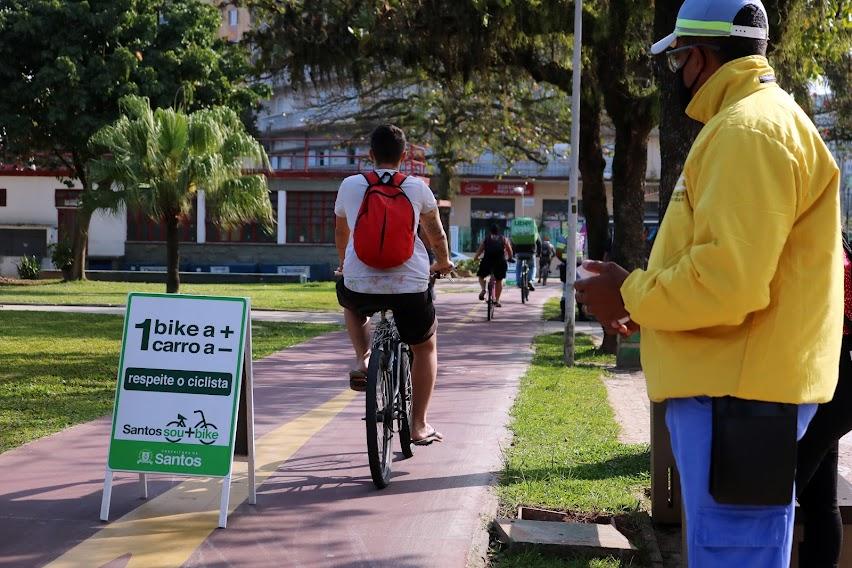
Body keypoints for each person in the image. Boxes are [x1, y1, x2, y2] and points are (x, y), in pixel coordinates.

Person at [574, 1, 843, 566]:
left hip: (738, 404)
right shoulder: (759, 122)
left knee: (732, 556)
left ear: (695, 57)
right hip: (741, 396)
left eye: (675, 62)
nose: (676, 77)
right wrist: (642, 304)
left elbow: (728, 284)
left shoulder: (747, 131)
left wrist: (631, 293)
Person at [334, 124, 454, 445]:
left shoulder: (349, 185)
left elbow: (341, 233)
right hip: (410, 285)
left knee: (350, 303)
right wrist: (442, 262)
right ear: (404, 156)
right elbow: (436, 235)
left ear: (370, 155)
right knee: (425, 345)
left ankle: (363, 357)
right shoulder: (417, 188)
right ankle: (419, 426)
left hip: (360, 282)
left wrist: (346, 265)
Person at [795, 234, 852, 568]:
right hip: (831, 379)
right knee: (819, 497)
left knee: (780, 489)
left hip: (838, 378)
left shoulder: (826, 247)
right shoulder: (837, 241)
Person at [474, 223, 512, 307]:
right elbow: (509, 250)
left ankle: (483, 289)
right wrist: (510, 258)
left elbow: (480, 250)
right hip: (500, 262)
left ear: (490, 231)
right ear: (499, 231)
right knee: (499, 280)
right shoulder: (504, 239)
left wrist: (476, 258)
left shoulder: (486, 239)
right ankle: (497, 300)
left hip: (487, 261)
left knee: (481, 276)